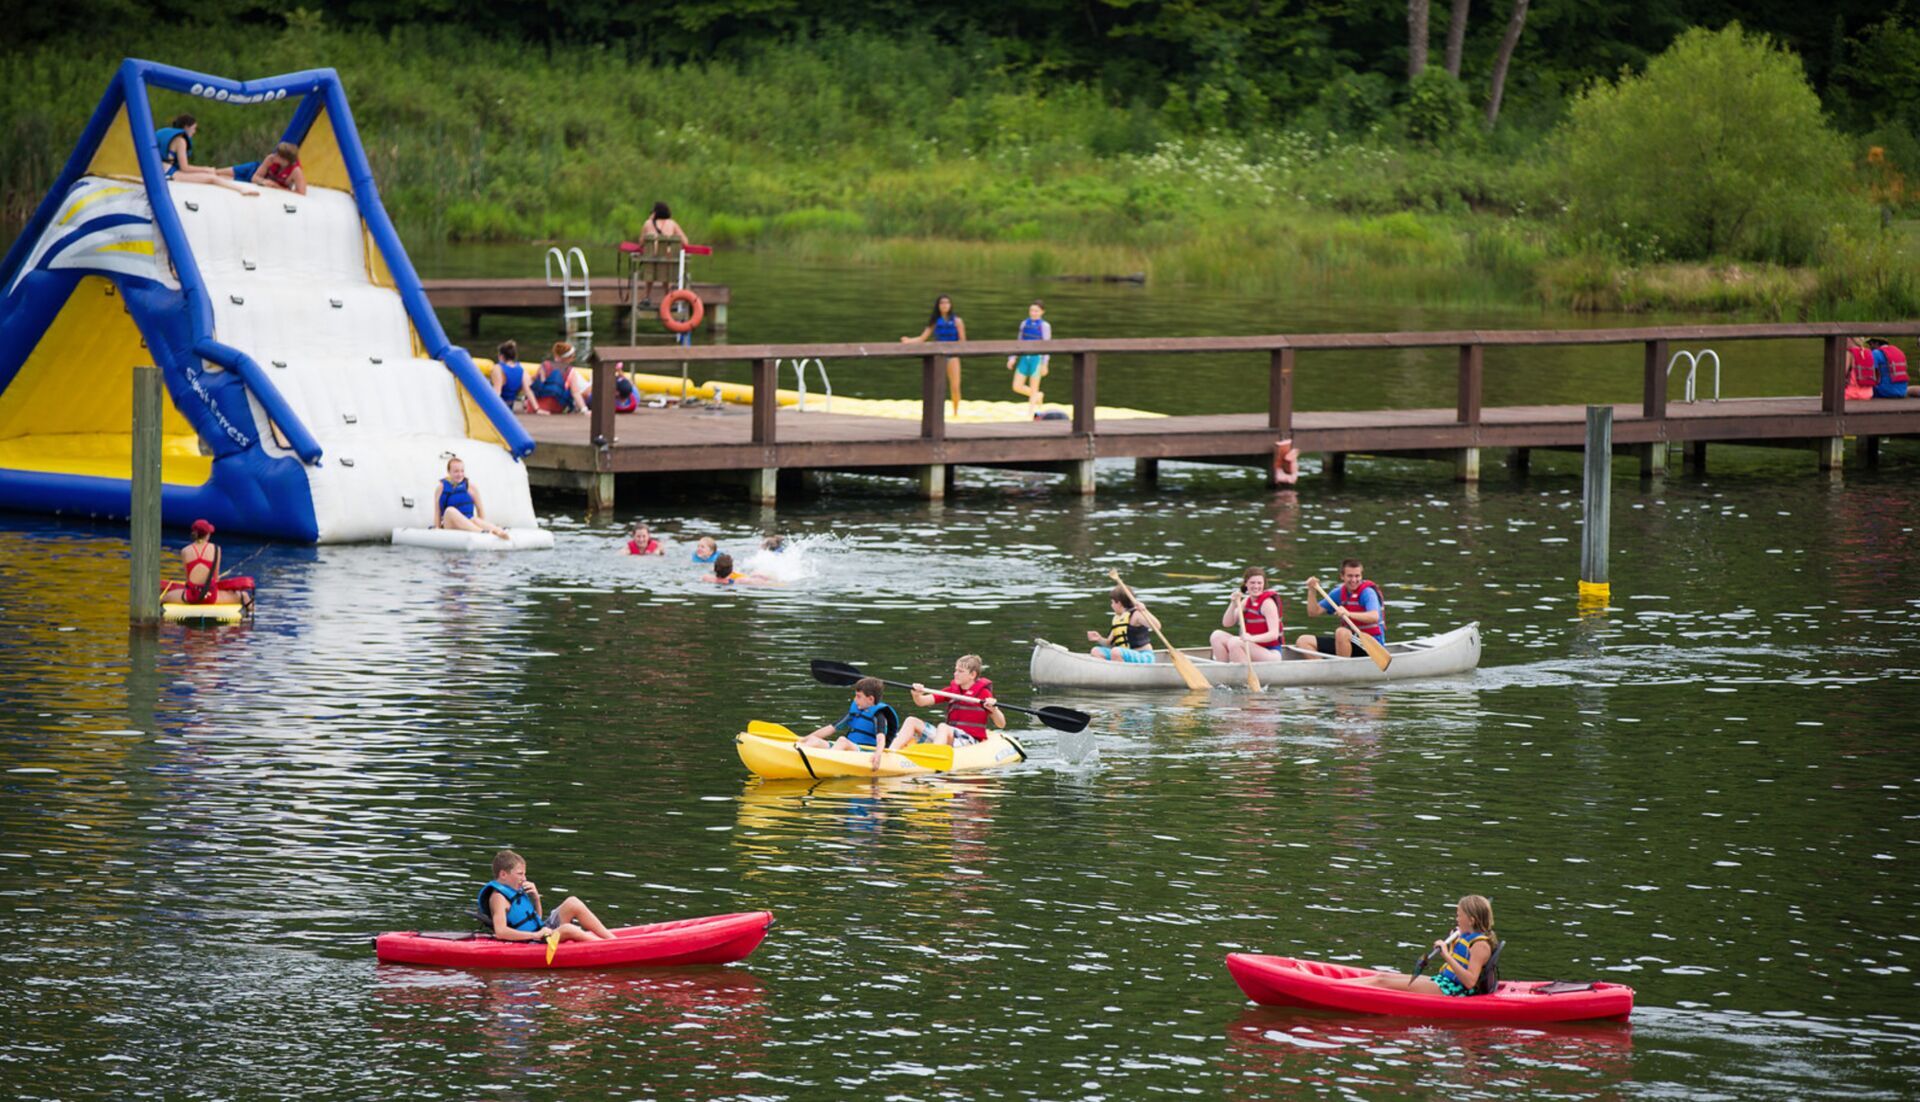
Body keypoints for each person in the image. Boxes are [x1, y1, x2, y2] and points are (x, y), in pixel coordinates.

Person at [1346, 895, 1497, 996]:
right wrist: (1452, 945)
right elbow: (1460, 962)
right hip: (1444, 982)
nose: (1457, 919)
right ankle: (1336, 985)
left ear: (1471, 920)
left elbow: (1470, 982)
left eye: (1459, 915)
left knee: (1382, 983)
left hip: (1453, 990)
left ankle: (1336, 989)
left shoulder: (1480, 946)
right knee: (1382, 976)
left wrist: (1446, 956)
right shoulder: (1466, 936)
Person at [477, 849, 614, 944]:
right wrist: (535, 935)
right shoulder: (498, 898)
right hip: (530, 941)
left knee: (572, 902)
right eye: (520, 874)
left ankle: (613, 940)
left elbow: (537, 920)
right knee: (567, 929)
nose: (524, 878)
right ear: (503, 875)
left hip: (540, 934)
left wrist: (536, 898)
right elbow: (501, 932)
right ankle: (609, 947)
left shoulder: (515, 889)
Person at [889, 655, 1007, 757]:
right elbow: (922, 702)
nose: (955, 674)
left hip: (969, 740)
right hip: (950, 737)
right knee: (911, 721)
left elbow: (1001, 724)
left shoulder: (983, 694)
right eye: (955, 670)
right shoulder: (951, 691)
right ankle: (890, 752)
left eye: (960, 671)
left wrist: (994, 709)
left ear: (972, 675)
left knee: (943, 727)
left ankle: (933, 757)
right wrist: (916, 694)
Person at [1296, 559, 1384, 658]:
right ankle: (1324, 671)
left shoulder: (1367, 593)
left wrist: (1349, 614)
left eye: (1357, 576)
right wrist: (1312, 590)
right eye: (1350, 576)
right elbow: (1313, 612)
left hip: (1371, 645)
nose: (1354, 580)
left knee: (1341, 632)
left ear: (1361, 576)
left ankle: (1343, 669)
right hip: (1348, 641)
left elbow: (1374, 616)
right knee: (1303, 641)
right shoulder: (1338, 593)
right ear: (1342, 576)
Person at [160, 519, 255, 609]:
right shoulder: (216, 549)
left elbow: (188, 580)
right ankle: (249, 618)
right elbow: (216, 579)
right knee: (245, 596)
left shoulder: (185, 550)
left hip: (191, 596)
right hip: (211, 597)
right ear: (207, 534)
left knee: (164, 597)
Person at [154, 114, 257, 195]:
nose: (194, 132)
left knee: (212, 174)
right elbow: (185, 168)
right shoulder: (181, 141)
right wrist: (205, 169)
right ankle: (242, 190)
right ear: (186, 127)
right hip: (170, 173)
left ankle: (241, 183)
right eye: (194, 128)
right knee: (211, 178)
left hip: (162, 168)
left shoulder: (165, 133)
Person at [798, 677, 901, 756]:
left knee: (842, 740)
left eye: (858, 696)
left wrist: (878, 756)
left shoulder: (879, 716)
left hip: (865, 751)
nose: (855, 700)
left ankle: (825, 760)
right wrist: (803, 739)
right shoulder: (854, 713)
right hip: (848, 748)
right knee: (813, 739)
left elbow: (881, 739)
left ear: (870, 699)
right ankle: (797, 750)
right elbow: (831, 728)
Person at [901, 294, 965, 417]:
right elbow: (922, 338)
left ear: (951, 305)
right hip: (939, 356)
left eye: (947, 302)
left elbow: (962, 341)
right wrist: (908, 341)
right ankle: (936, 413)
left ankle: (956, 412)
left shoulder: (957, 321)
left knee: (955, 385)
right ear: (938, 305)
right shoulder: (935, 321)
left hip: (953, 356)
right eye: (942, 303)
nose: (945, 305)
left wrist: (957, 351)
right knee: (937, 386)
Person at [1210, 567, 1284, 663]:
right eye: (1252, 583)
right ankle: (1224, 671)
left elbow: (1273, 635)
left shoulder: (1268, 603)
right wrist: (1233, 603)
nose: (1256, 586)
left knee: (1235, 642)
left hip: (1271, 653)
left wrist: (1251, 638)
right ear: (1246, 584)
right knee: (1216, 636)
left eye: (1259, 583)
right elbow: (1227, 623)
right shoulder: (1247, 601)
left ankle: (1241, 676)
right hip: (1252, 647)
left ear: (1264, 584)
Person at [435, 455, 509, 539]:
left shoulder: (471, 487)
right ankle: (482, 532)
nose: (460, 474)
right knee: (450, 511)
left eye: (462, 471)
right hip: (450, 524)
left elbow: (480, 509)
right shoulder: (441, 488)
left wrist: (482, 524)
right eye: (456, 471)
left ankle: (498, 531)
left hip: (468, 523)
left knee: (473, 519)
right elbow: (437, 511)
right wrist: (437, 529)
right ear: (449, 472)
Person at [1086, 585, 1156, 663]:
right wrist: (1099, 639)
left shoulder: (1136, 615)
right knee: (1096, 651)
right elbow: (1109, 644)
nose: (1111, 605)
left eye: (1112, 602)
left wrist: (1144, 610)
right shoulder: (1118, 619)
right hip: (1122, 654)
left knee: (1116, 652)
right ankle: (1109, 672)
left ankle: (1121, 673)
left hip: (1143, 656)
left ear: (1118, 603)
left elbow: (1157, 626)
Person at [1006, 300, 1051, 416]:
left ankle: (1031, 412)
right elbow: (1019, 341)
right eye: (1031, 310)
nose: (1033, 313)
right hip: (1024, 358)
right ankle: (1038, 395)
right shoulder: (1024, 324)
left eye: (1036, 311)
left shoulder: (1044, 326)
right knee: (1016, 386)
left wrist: (1045, 363)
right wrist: (1012, 358)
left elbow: (1047, 345)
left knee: (1034, 386)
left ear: (1042, 312)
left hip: (1037, 359)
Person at [638, 202, 687, 308]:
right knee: (665, 268)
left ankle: (647, 296)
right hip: (668, 263)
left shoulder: (647, 223)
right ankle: (668, 297)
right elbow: (685, 242)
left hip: (650, 264)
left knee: (650, 267)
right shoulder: (672, 224)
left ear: (655, 213)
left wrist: (650, 220)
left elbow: (641, 243)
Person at [531, 342, 590, 414]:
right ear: (569, 358)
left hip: (539, 405)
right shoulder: (571, 371)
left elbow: (536, 384)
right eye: (572, 357)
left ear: (555, 354)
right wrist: (584, 410)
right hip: (557, 408)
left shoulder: (544, 365)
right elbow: (575, 393)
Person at [227, 141, 306, 194]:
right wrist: (263, 181)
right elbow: (254, 177)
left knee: (229, 179)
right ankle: (215, 171)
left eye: (278, 155)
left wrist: (277, 187)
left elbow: (301, 192)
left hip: (266, 185)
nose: (274, 155)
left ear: (285, 160)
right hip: (255, 171)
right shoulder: (271, 159)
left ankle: (216, 173)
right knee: (242, 169)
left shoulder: (296, 171)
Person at [490, 339, 539, 413]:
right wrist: (537, 409)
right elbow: (528, 391)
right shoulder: (521, 370)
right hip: (510, 405)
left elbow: (497, 391)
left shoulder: (498, 368)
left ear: (501, 356)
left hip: (500, 406)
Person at [701, 552, 771, 586]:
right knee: (755, 574)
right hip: (741, 577)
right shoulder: (740, 580)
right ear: (731, 569)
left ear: (715, 568)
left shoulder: (706, 578)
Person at [1845, 337, 1879, 402]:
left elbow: (1841, 374)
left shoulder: (1849, 353)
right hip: (1868, 394)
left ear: (1850, 339)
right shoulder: (1868, 352)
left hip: (1851, 394)